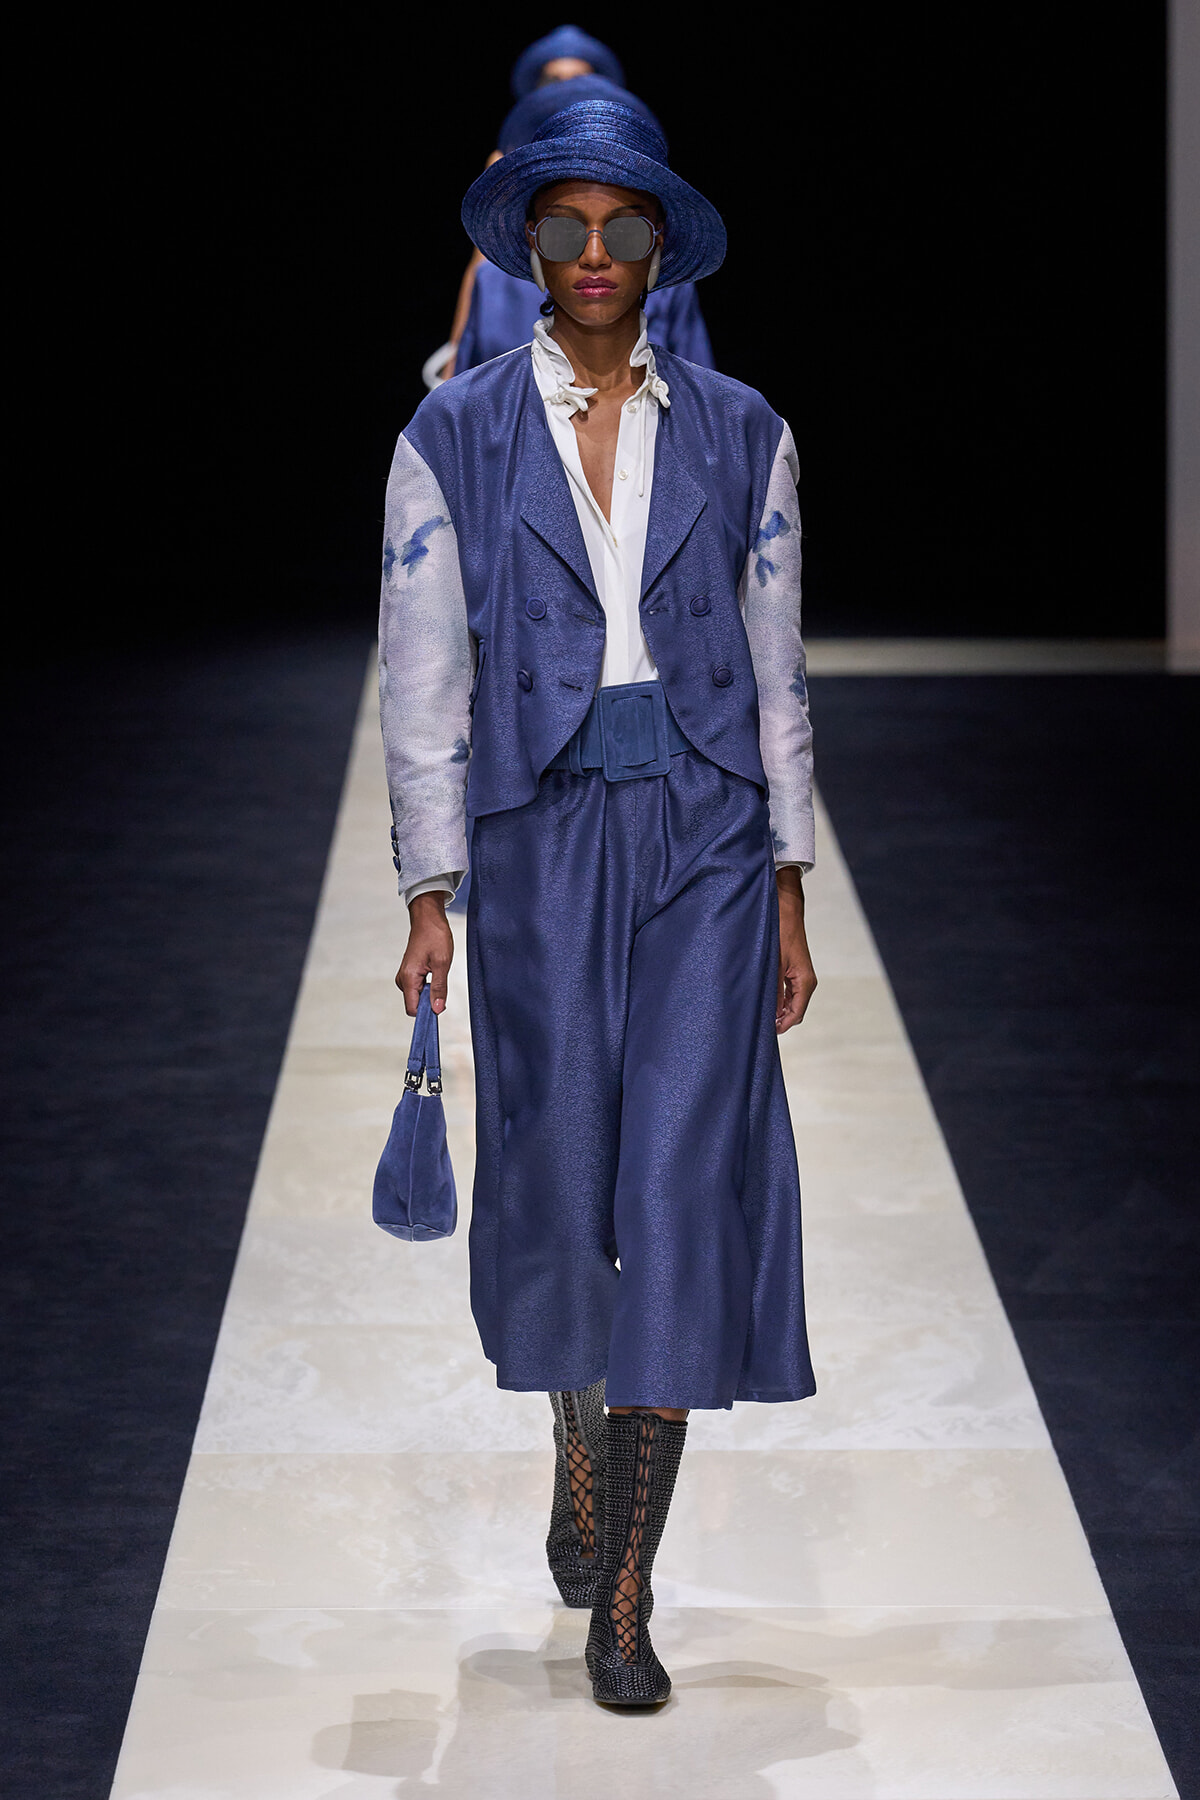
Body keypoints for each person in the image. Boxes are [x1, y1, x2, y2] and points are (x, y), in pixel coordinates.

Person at [379, 98, 817, 1708]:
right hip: (543, 833)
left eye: (619, 230)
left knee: (682, 1181)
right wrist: (432, 887)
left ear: (658, 247)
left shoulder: (746, 425)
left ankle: (624, 1593)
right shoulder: (454, 434)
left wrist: (787, 881)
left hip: (704, 832)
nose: (589, 258)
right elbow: (421, 673)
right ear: (526, 248)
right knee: (565, 1183)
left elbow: (777, 674)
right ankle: (580, 1447)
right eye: (562, 230)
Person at [453, 76, 714, 377]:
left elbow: (699, 376)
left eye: (626, 230)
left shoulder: (735, 416)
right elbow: (460, 374)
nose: (594, 255)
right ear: (532, 235)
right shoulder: (456, 412)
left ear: (659, 237)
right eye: (565, 228)